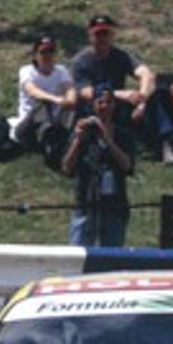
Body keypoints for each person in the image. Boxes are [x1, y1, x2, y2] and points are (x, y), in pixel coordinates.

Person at [67, 13, 173, 164]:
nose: (102, 38)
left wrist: (142, 101)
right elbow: (86, 92)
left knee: (152, 95)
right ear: (90, 36)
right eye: (98, 34)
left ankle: (166, 144)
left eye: (105, 33)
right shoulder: (80, 61)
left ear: (112, 35)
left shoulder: (121, 56)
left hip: (116, 106)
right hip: (94, 109)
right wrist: (120, 94)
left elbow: (147, 75)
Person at [60, 83, 135, 247]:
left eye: (108, 102)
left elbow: (127, 165)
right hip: (85, 202)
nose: (104, 106)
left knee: (112, 257)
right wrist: (78, 140)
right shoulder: (82, 132)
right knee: (77, 252)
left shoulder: (123, 134)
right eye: (100, 102)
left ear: (114, 105)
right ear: (93, 105)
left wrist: (108, 140)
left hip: (114, 204)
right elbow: (66, 167)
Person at [9, 35, 75, 148]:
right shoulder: (26, 71)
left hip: (54, 120)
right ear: (35, 55)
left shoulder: (61, 71)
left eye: (51, 51)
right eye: (43, 52)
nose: (47, 55)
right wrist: (57, 99)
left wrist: (70, 100)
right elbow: (33, 91)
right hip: (29, 123)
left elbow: (70, 89)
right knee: (43, 105)